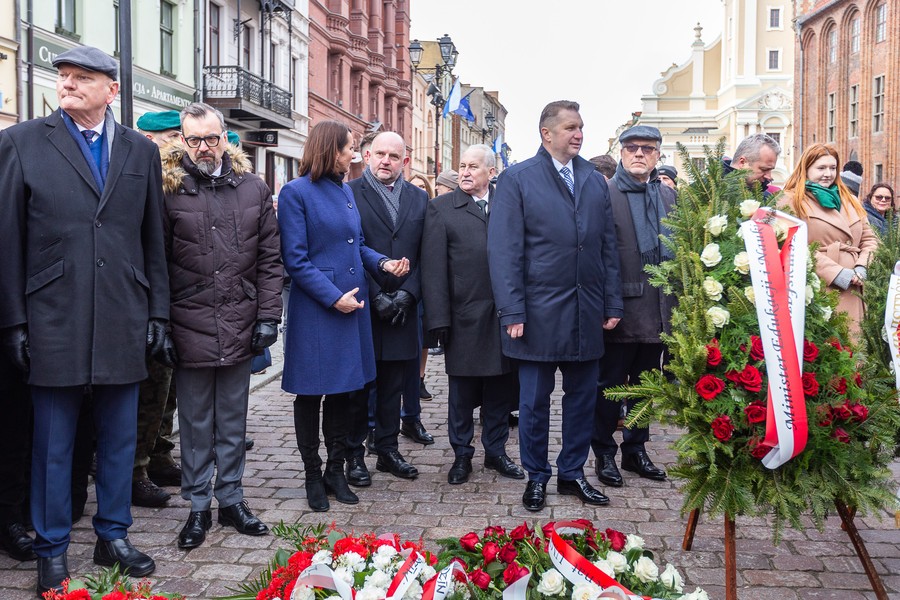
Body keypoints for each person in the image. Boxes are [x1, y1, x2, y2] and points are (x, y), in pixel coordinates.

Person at [0, 46, 169, 594]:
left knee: (119, 437)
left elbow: (153, 237)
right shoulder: (22, 142)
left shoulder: (141, 150)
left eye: (83, 77)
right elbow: (7, 239)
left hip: (124, 311)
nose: (68, 84)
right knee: (54, 443)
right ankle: (51, 549)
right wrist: (13, 322)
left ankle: (112, 535)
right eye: (64, 76)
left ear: (111, 90)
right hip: (53, 315)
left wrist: (158, 312)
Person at [488, 100, 623, 511]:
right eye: (569, 127)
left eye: (580, 127)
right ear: (547, 133)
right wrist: (512, 310)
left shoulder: (594, 180)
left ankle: (572, 473)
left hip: (586, 311)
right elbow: (504, 250)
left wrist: (612, 301)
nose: (578, 134)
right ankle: (536, 475)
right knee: (533, 402)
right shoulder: (517, 179)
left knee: (582, 399)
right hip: (537, 313)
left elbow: (608, 247)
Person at [159, 102, 282, 549]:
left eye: (212, 138)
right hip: (188, 319)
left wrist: (268, 315)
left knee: (232, 419)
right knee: (195, 423)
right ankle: (198, 507)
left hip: (240, 317)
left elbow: (270, 257)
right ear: (183, 141)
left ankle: (231, 498)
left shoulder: (252, 188)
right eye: (194, 139)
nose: (204, 147)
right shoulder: (167, 189)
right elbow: (156, 261)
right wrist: (160, 323)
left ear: (225, 137)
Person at [278, 120, 408, 512]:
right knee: (311, 393)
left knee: (344, 392)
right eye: (349, 148)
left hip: (351, 307)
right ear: (330, 150)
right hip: (319, 309)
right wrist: (333, 297)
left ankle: (336, 470)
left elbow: (358, 245)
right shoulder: (296, 192)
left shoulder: (345, 190)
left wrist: (383, 263)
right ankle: (312, 474)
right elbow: (296, 260)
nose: (353, 154)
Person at [422, 144, 525, 485]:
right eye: (462, 166)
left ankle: (496, 452)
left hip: (503, 316)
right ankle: (462, 454)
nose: (465, 172)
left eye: (473, 167)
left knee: (500, 389)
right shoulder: (441, 209)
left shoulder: (509, 205)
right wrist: (438, 320)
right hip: (463, 317)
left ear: (491, 172)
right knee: (462, 394)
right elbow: (433, 269)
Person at [592, 126, 674, 490]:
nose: (639, 153)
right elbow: (596, 255)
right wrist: (605, 305)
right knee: (609, 387)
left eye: (647, 148)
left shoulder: (668, 196)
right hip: (619, 310)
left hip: (659, 310)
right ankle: (604, 451)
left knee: (646, 386)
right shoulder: (605, 194)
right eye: (631, 147)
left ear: (657, 155)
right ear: (621, 153)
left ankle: (635, 449)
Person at [347, 132, 429, 484]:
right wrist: (376, 292)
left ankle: (387, 449)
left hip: (403, 309)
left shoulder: (419, 198)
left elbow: (427, 252)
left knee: (394, 385)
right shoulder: (349, 193)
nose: (386, 161)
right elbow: (349, 249)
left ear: (404, 161)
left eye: (394, 156)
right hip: (363, 303)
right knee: (358, 387)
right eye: (379, 154)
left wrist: (409, 294)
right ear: (367, 156)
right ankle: (354, 455)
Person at [130, 110, 185, 508]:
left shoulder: (181, 177)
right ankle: (136, 468)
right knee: (150, 387)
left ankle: (161, 453)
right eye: (172, 136)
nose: (179, 143)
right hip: (148, 297)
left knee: (169, 389)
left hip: (178, 296)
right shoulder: (144, 174)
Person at [779, 144, 877, 338]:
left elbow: (869, 239)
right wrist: (836, 273)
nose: (828, 174)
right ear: (806, 169)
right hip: (818, 285)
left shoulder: (850, 200)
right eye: (821, 168)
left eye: (833, 168)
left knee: (855, 344)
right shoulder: (790, 200)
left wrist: (862, 266)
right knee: (828, 344)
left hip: (856, 285)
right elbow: (789, 244)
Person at [408, 173, 435, 400]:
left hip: (426, 283)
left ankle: (420, 378)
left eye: (422, 186)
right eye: (414, 186)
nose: (419, 189)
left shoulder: (432, 211)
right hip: (407, 277)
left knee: (424, 337)